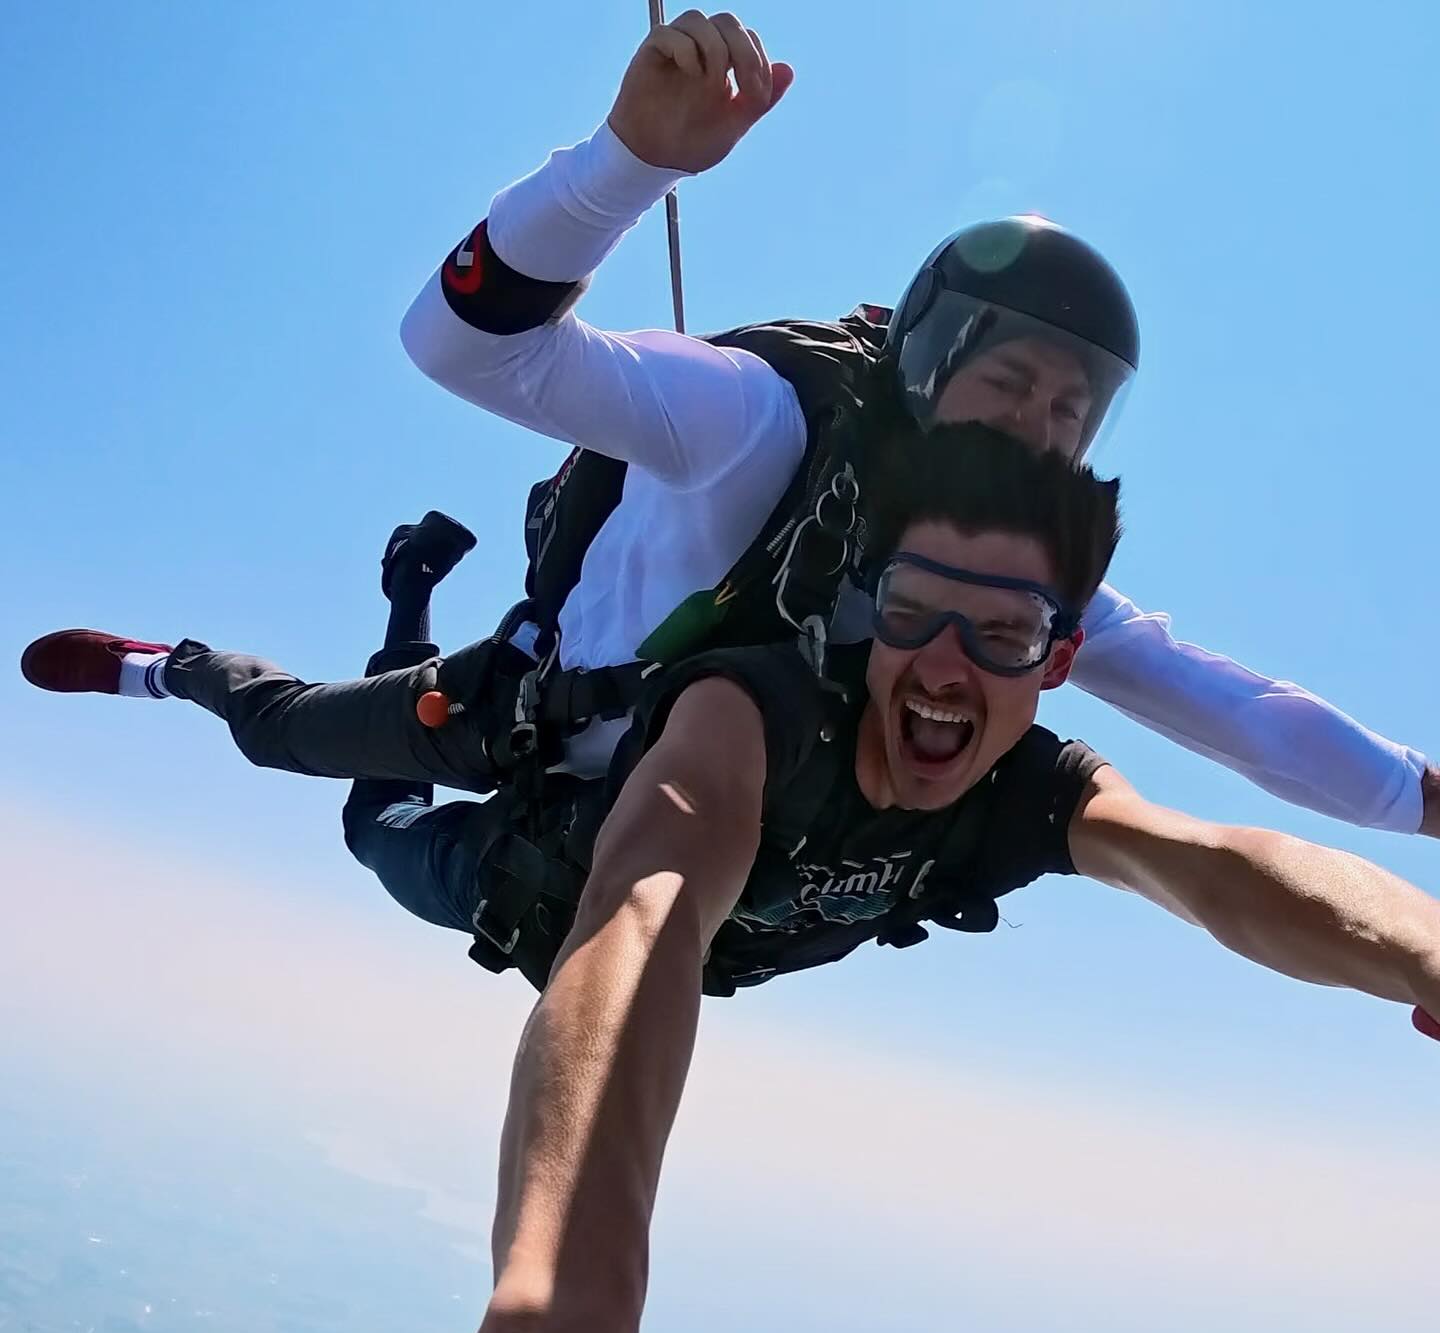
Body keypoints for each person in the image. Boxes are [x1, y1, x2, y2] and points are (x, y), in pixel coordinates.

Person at [265, 422, 1440, 1333]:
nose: (943, 665)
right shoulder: (751, 716)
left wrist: (1424, 949)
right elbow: (644, 925)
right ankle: (340, 624)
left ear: (1059, 662)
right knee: (378, 820)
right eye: (917, 611)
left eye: (1004, 633)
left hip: (637, 918)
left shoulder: (1017, 794)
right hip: (512, 880)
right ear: (872, 618)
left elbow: (1211, 863)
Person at [21, 13, 1438, 842]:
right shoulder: (761, 418)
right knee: (322, 773)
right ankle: (178, 666)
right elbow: (460, 344)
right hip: (518, 727)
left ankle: (394, 599)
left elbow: (1232, 708)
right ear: (931, 361)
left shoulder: (1025, 584)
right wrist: (625, 166)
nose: (1040, 429)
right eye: (1015, 384)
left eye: (1074, 411)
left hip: (663, 828)